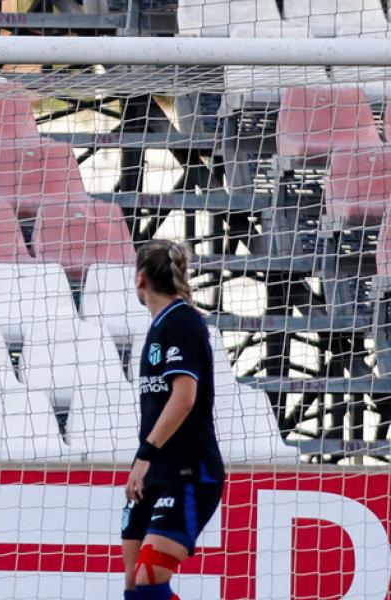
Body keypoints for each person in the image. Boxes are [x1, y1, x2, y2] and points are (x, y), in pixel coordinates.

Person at [121, 239, 225, 600]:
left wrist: (145, 454)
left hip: (188, 472)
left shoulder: (181, 322)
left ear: (140, 279)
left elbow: (184, 399)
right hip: (154, 471)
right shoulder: (160, 325)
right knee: (135, 589)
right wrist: (143, 461)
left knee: (150, 578)